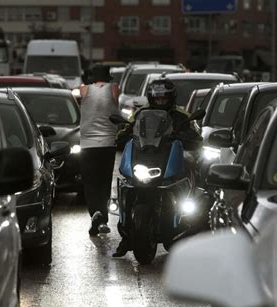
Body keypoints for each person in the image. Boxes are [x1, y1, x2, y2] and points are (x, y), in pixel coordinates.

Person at [112, 77, 203, 257]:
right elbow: (128, 129)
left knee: (191, 164)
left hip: (169, 157)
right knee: (128, 182)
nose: (160, 101)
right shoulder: (140, 113)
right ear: (151, 98)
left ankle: (188, 211)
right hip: (146, 157)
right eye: (157, 98)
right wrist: (122, 134)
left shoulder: (182, 115)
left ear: (171, 97)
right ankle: (127, 234)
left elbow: (195, 134)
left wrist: (189, 136)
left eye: (164, 98)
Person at [79, 64, 120, 236]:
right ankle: (102, 217)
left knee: (90, 182)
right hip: (108, 143)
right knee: (104, 181)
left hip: (87, 143)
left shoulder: (84, 89)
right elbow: (116, 103)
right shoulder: (114, 88)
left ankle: (95, 213)